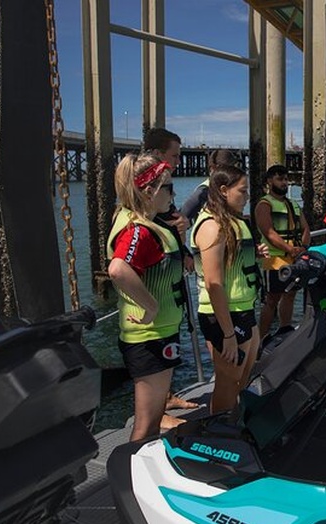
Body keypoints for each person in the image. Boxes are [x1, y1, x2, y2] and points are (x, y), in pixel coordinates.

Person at [106, 154, 185, 442]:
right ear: (149, 191)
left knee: (151, 422)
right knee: (146, 427)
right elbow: (117, 268)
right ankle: (131, 480)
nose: (173, 195)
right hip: (150, 337)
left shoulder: (145, 223)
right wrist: (150, 306)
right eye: (168, 187)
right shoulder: (138, 230)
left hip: (158, 334)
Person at [191, 165, 267, 414]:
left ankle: (232, 427)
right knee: (228, 384)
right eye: (242, 192)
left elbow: (230, 263)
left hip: (243, 310)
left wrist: (252, 254)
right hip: (225, 317)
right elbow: (214, 284)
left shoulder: (233, 222)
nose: (246, 198)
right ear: (223, 191)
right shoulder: (212, 227)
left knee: (242, 380)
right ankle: (216, 435)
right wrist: (227, 335)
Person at [143, 127, 198, 424]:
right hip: (155, 281)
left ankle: (166, 397)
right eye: (175, 155)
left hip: (171, 277)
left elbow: (171, 220)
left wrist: (185, 249)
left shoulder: (164, 185)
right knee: (153, 346)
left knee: (169, 341)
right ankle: (157, 413)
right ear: (157, 153)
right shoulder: (146, 186)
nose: (178, 161)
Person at [255, 164, 311, 338]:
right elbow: (269, 233)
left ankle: (285, 329)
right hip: (274, 260)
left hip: (294, 258)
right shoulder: (264, 204)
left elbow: (305, 228)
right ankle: (261, 338)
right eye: (280, 179)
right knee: (272, 299)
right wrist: (289, 249)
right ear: (269, 181)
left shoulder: (293, 204)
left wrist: (303, 248)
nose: (284, 182)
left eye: (286, 179)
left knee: (291, 294)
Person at [181, 149, 241, 223]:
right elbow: (182, 216)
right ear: (214, 169)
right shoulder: (204, 191)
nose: (233, 172)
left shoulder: (230, 189)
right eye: (230, 168)